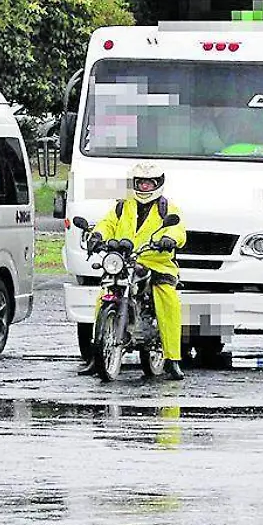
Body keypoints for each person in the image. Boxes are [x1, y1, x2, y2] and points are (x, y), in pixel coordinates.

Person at [81, 162, 188, 380]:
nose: (145, 187)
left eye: (149, 184)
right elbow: (107, 223)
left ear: (158, 184)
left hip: (156, 262)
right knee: (103, 297)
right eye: (141, 183)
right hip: (124, 260)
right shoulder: (123, 206)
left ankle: (172, 358)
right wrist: (97, 236)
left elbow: (178, 229)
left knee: (168, 300)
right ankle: (97, 355)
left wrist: (168, 240)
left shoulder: (167, 209)